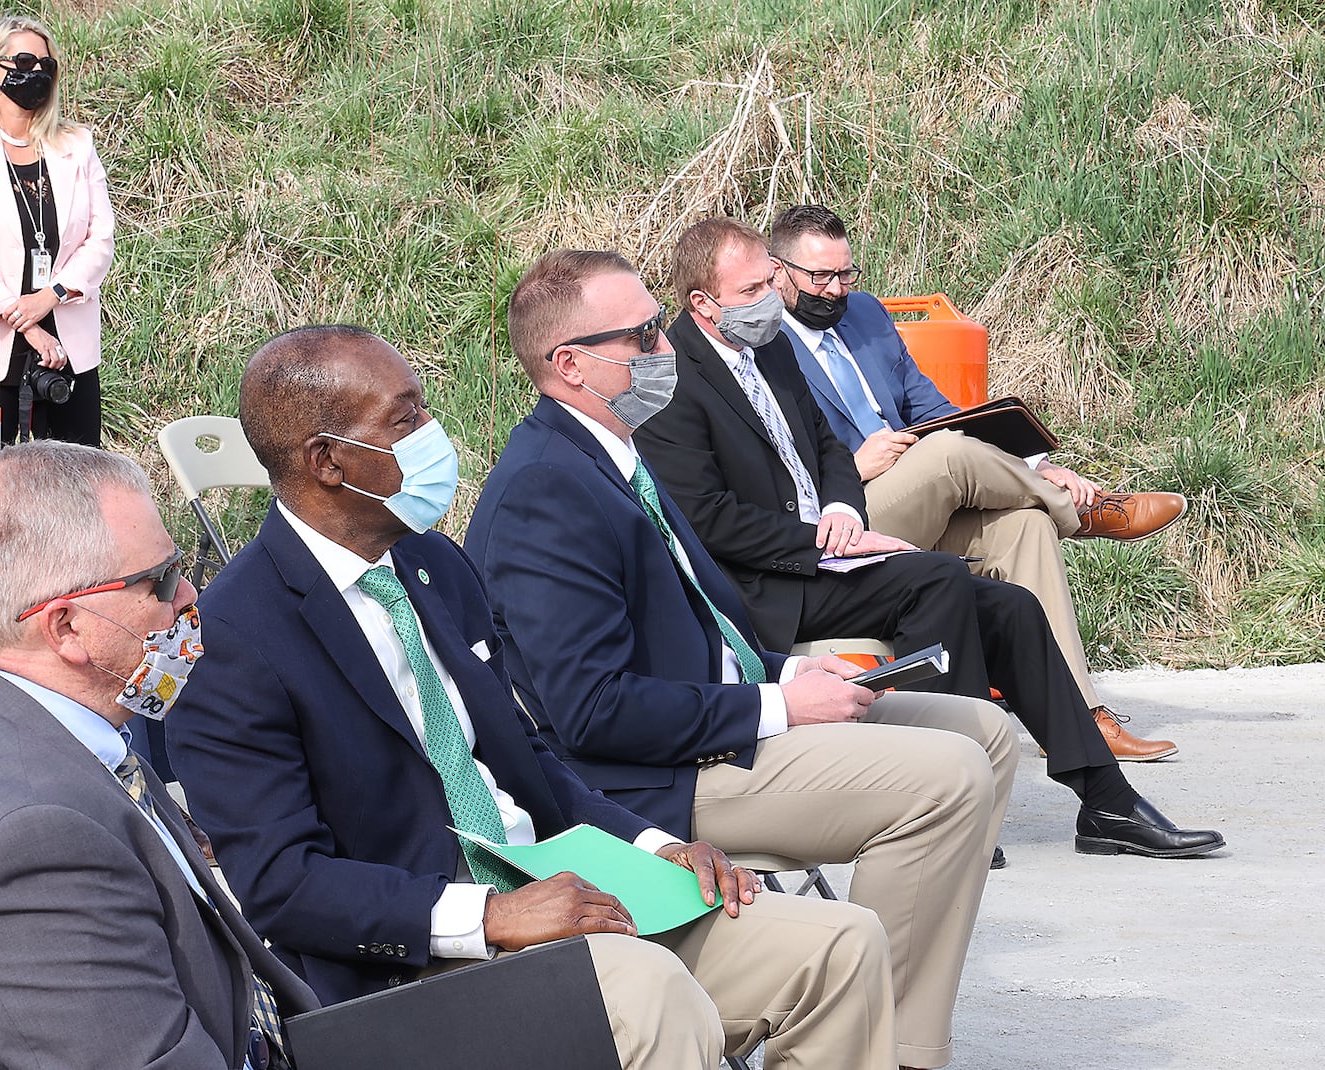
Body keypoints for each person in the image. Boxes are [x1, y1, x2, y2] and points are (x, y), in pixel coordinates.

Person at [168, 325, 901, 1070]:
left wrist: (655, 848)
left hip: (565, 888)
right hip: (419, 965)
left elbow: (526, 759)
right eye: (405, 418)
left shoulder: (428, 561)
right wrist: (494, 915)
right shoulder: (234, 636)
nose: (433, 432)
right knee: (645, 990)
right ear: (327, 461)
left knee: (840, 945)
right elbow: (282, 886)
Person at [467, 251, 1015, 1070]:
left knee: (984, 730)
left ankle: (883, 1027)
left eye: (660, 324)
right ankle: (888, 1045)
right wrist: (781, 708)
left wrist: (791, 674)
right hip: (655, 774)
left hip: (723, 718)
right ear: (571, 364)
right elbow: (592, 712)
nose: (666, 347)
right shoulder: (547, 487)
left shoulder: (614, 451)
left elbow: (704, 622)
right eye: (644, 334)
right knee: (946, 780)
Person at [629, 220, 1224, 860]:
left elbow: (829, 451)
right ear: (703, 304)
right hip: (767, 582)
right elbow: (707, 520)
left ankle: (1107, 802)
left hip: (827, 547)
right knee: (940, 580)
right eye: (755, 288)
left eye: (773, 282)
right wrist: (819, 542)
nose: (774, 297)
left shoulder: (770, 346)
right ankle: (953, 800)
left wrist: (842, 510)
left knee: (1013, 608)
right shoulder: (674, 381)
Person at [0, 440, 318, 1068]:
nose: (189, 595)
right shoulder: (31, 842)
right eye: (159, 581)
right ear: (67, 627)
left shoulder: (23, 727)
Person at [768, 203, 1184, 760]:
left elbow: (934, 409)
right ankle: (1083, 512)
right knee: (943, 454)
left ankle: (1081, 721)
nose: (836, 290)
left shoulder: (865, 315)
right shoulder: (764, 343)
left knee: (1026, 524)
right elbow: (772, 464)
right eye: (819, 277)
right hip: (849, 514)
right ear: (777, 271)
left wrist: (1034, 467)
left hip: (923, 486)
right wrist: (850, 467)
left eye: (846, 274)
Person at [0, 13, 115, 447]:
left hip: (68, 338)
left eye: (46, 65)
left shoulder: (77, 144)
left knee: (78, 481)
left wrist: (51, 296)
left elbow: (100, 237)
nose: (35, 73)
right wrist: (26, 320)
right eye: (24, 61)